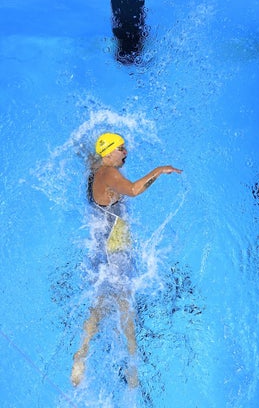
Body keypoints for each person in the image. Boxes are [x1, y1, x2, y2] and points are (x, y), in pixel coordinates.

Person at [71, 133, 182, 388]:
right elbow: (132, 190)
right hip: (115, 242)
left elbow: (91, 158)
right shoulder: (109, 173)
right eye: (121, 148)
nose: (126, 151)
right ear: (109, 153)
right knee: (124, 301)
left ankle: (82, 354)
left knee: (101, 298)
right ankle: (133, 371)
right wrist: (160, 169)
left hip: (100, 239)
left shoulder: (97, 169)